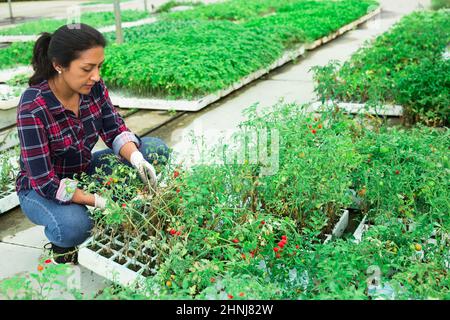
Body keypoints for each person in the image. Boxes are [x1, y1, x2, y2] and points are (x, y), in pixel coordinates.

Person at [15, 23, 169, 265]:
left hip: (84, 170)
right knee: (76, 226)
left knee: (153, 150)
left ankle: (117, 203)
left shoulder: (93, 87)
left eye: (99, 66)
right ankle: (61, 240)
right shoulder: (33, 107)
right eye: (87, 68)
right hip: (40, 188)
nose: (96, 76)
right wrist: (97, 200)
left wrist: (137, 160)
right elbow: (45, 182)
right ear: (58, 65)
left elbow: (113, 128)